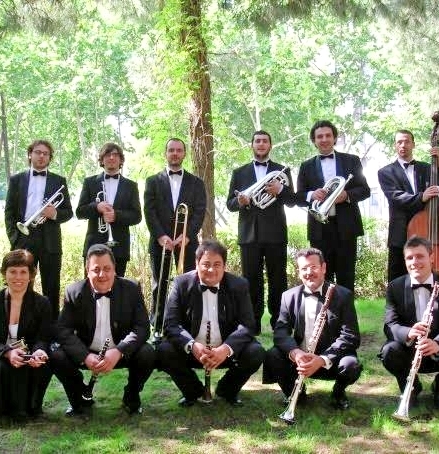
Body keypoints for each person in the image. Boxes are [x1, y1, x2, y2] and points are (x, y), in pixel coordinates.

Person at [49, 244, 155, 417]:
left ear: (114, 269)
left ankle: (131, 396)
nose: (102, 275)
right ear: (87, 271)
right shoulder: (74, 291)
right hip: (88, 351)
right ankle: (80, 398)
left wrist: (119, 350)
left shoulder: (131, 288)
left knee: (147, 353)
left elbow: (142, 327)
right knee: (57, 356)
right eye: (96, 269)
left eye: (107, 269)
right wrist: (85, 356)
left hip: (119, 351)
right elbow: (62, 330)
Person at [157, 239, 265, 407]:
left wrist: (225, 349)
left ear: (224, 266)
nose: (211, 270)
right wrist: (192, 345)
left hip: (225, 352)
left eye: (217, 265)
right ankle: (193, 391)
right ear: (196, 264)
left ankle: (227, 390)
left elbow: (248, 325)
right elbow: (171, 324)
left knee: (255, 352)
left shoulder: (239, 285)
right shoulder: (181, 283)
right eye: (206, 264)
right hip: (193, 351)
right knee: (164, 350)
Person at [380, 236, 439, 409]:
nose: (414, 262)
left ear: (431, 257)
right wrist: (408, 332)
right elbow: (390, 325)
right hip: (410, 350)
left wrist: (438, 343)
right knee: (388, 352)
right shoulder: (395, 287)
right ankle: (412, 388)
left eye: (420, 256)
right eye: (409, 258)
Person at [263, 247, 362, 410]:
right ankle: (296, 393)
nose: (309, 272)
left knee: (351, 364)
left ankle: (338, 393)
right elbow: (280, 333)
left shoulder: (343, 295)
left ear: (323, 268)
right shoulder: (289, 296)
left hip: (330, 360)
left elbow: (350, 336)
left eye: (313, 267)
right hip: (301, 360)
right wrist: (295, 353)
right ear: (299, 272)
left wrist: (322, 359)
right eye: (304, 268)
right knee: (273, 355)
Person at [226, 130, 296, 333]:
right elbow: (230, 204)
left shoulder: (282, 170)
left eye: (265, 141)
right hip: (249, 235)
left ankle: (279, 323)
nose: (261, 144)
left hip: (275, 234)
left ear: (270, 145)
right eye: (257, 141)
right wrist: (240, 201)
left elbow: (292, 201)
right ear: (252, 145)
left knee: (278, 280)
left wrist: (280, 191)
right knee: (250, 282)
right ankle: (252, 323)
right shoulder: (239, 172)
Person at [0, 249, 53, 424]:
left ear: (31, 275)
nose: (18, 277)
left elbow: (43, 337)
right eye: (12, 271)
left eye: (23, 272)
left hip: (29, 354)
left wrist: (38, 352)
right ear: (4, 273)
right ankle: (0, 411)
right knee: (0, 365)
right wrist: (8, 353)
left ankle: (31, 407)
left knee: (45, 363)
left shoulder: (42, 303)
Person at [296, 120, 370, 294]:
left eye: (328, 135)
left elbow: (364, 190)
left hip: (346, 228)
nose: (324, 139)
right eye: (319, 137)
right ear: (314, 141)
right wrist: (311, 195)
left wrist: (346, 195)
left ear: (334, 138)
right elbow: (298, 197)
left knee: (347, 277)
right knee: (321, 278)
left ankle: (346, 312)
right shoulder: (306, 166)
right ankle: (324, 312)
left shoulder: (351, 160)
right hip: (319, 229)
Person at [143, 138, 207, 338]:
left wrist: (187, 236)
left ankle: (186, 326)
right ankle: (157, 327)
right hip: (159, 242)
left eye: (179, 150)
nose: (175, 153)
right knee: (159, 285)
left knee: (188, 285)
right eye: (171, 150)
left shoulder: (196, 183)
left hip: (187, 243)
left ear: (184, 154)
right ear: (166, 153)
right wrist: (161, 236)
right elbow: (149, 211)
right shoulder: (152, 181)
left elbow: (200, 211)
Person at [4, 139, 73, 319]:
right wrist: (15, 239)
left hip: (50, 240)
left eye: (45, 154)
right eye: (38, 152)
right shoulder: (17, 180)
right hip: (23, 238)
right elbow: (9, 212)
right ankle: (21, 325)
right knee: (21, 286)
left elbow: (68, 212)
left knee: (52, 287)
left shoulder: (59, 181)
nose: (41, 156)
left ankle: (51, 328)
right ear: (30, 154)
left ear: (50, 158)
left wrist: (54, 213)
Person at [377, 129, 439, 282]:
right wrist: (422, 197)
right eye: (399, 142)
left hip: (427, 231)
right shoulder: (385, 172)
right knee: (398, 281)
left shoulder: (427, 168)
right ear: (395, 146)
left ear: (413, 144)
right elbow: (396, 197)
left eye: (407, 141)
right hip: (401, 234)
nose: (403, 145)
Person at [76, 142, 142, 276]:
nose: (111, 157)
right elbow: (80, 212)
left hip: (119, 247)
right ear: (101, 160)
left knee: (117, 286)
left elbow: (137, 216)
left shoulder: (131, 186)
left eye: (115, 155)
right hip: (94, 245)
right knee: (90, 285)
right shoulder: (89, 182)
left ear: (121, 160)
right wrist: (96, 207)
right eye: (107, 155)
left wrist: (116, 215)